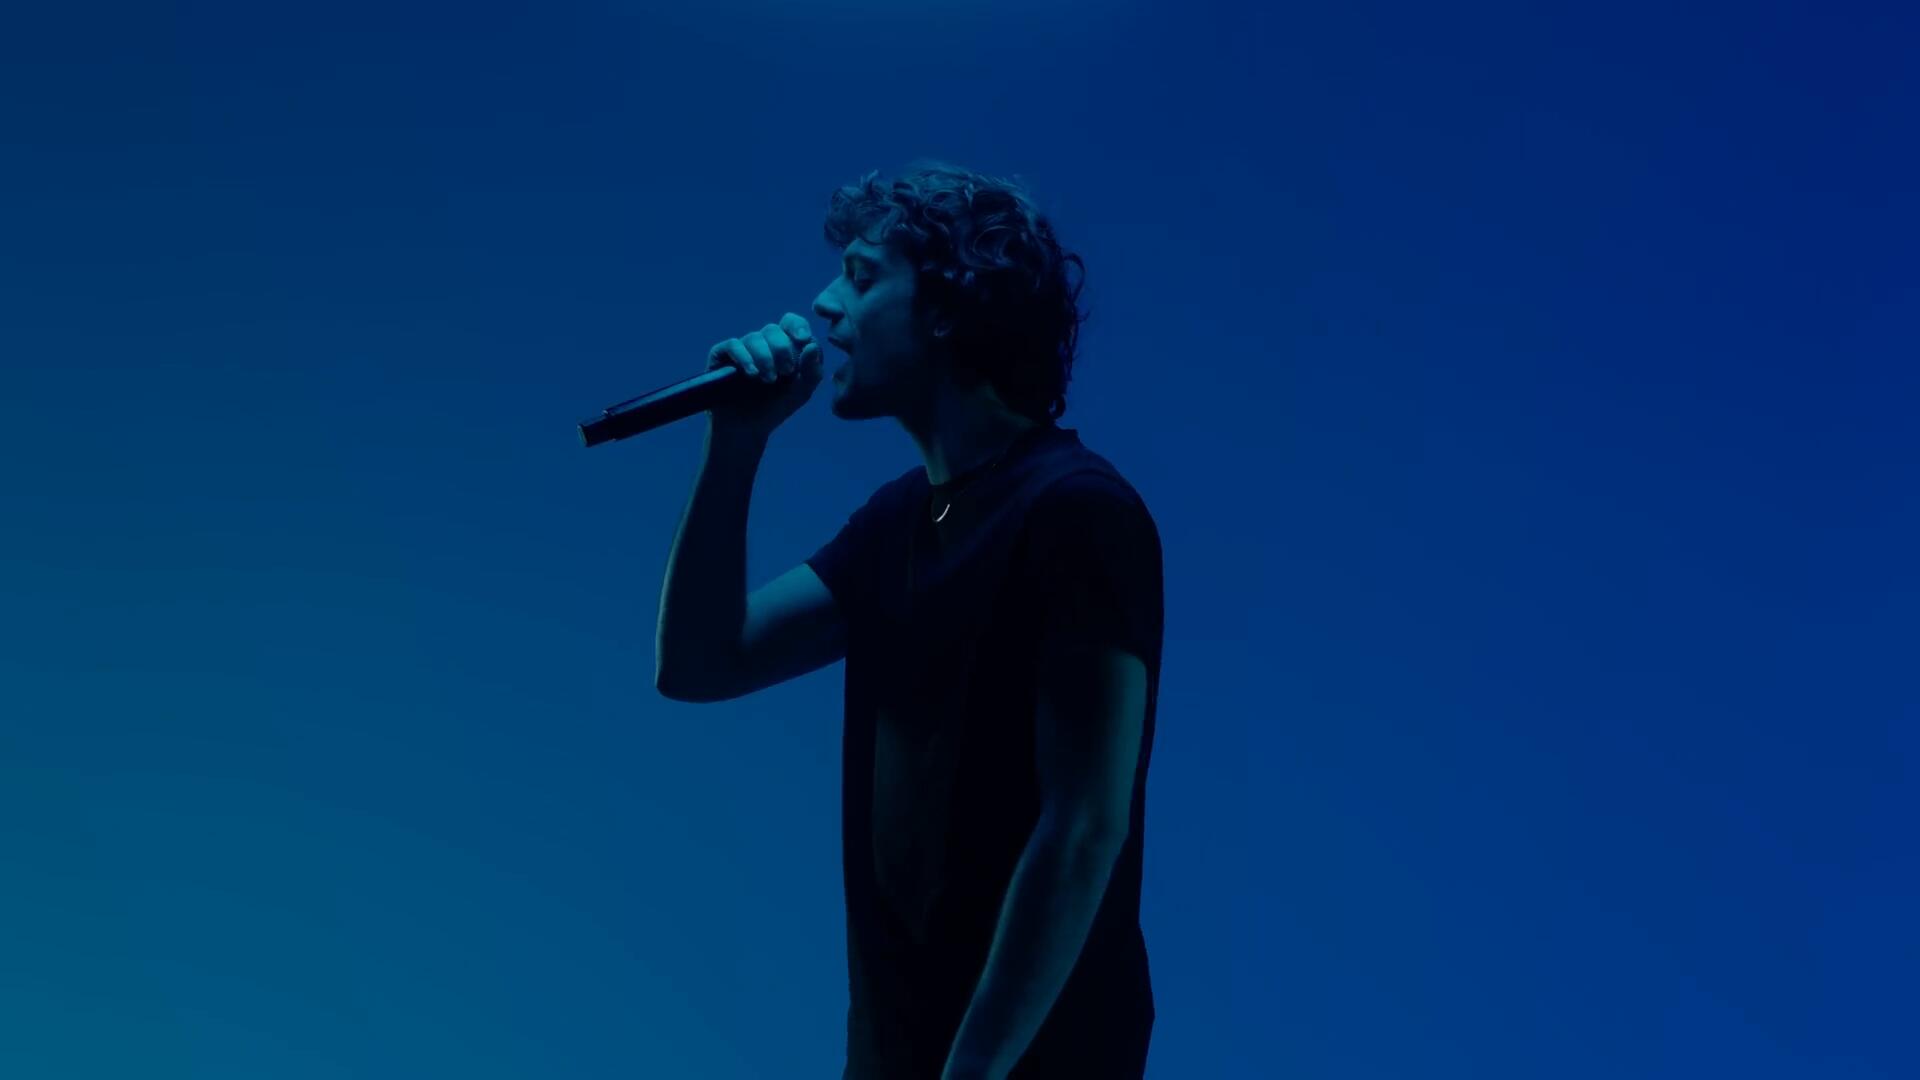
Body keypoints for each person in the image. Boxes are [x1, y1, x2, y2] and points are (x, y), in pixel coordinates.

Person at [654, 161, 1162, 1079]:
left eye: (860, 276)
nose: (823, 306)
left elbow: (1085, 826)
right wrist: (737, 441)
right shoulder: (900, 522)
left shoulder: (1076, 511)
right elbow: (700, 663)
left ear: (946, 308)